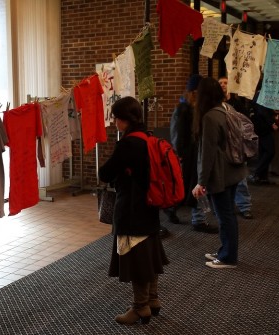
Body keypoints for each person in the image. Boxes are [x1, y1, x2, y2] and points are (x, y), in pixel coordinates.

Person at [99, 96, 168, 324]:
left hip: (131, 210)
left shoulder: (128, 144)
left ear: (124, 120)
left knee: (138, 259)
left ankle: (140, 307)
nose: (115, 123)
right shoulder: (150, 138)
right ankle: (153, 300)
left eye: (116, 119)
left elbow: (105, 174)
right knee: (149, 255)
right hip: (150, 207)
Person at [191, 77, 248, 269]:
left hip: (220, 174)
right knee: (228, 214)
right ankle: (226, 250)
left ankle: (228, 257)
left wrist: (201, 181)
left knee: (225, 216)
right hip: (234, 169)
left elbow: (207, 153)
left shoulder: (209, 117)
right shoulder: (227, 109)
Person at [167, 74, 218, 233]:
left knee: (191, 187)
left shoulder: (196, 108)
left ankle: (177, 211)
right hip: (188, 156)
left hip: (195, 154)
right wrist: (179, 154)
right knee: (193, 186)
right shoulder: (183, 109)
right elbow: (177, 133)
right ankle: (196, 219)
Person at [218, 76, 254, 219]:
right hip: (222, 147)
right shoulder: (215, 104)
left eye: (225, 83)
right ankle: (227, 206)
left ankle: (245, 206)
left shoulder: (237, 104)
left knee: (240, 178)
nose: (222, 85)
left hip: (236, 146)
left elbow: (245, 125)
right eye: (220, 83)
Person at [249, 85, 278, 185]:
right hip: (263, 128)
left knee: (263, 152)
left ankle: (262, 177)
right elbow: (262, 111)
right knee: (270, 151)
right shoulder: (261, 95)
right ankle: (256, 173)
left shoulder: (257, 95)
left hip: (260, 128)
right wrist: (272, 123)